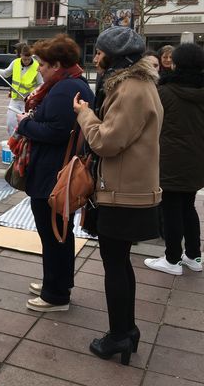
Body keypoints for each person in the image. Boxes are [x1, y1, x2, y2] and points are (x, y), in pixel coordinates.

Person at [73, 26, 163, 365]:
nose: (95, 58)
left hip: (123, 193)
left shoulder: (129, 89)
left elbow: (107, 142)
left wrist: (84, 114)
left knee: (115, 265)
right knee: (120, 263)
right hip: (130, 188)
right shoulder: (141, 84)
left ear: (115, 57)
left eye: (99, 53)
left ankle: (119, 335)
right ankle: (126, 330)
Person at [14, 34, 94, 313]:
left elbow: (57, 132)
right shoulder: (73, 83)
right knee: (59, 232)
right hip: (59, 170)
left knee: (54, 234)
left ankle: (56, 295)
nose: (39, 69)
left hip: (53, 173)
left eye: (43, 64)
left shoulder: (64, 88)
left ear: (58, 64)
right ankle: (57, 282)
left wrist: (25, 124)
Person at [144, 43, 204, 275]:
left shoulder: (164, 92)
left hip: (169, 159)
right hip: (197, 159)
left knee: (170, 209)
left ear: (177, 64)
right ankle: (193, 256)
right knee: (188, 206)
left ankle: (172, 259)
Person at [0, 44, 43, 136]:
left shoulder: (36, 66)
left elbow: (41, 84)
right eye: (24, 59)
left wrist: (33, 94)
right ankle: (13, 143)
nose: (26, 61)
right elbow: (5, 73)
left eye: (28, 59)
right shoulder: (15, 63)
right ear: (21, 55)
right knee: (10, 123)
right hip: (15, 100)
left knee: (26, 125)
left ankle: (23, 143)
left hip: (28, 101)